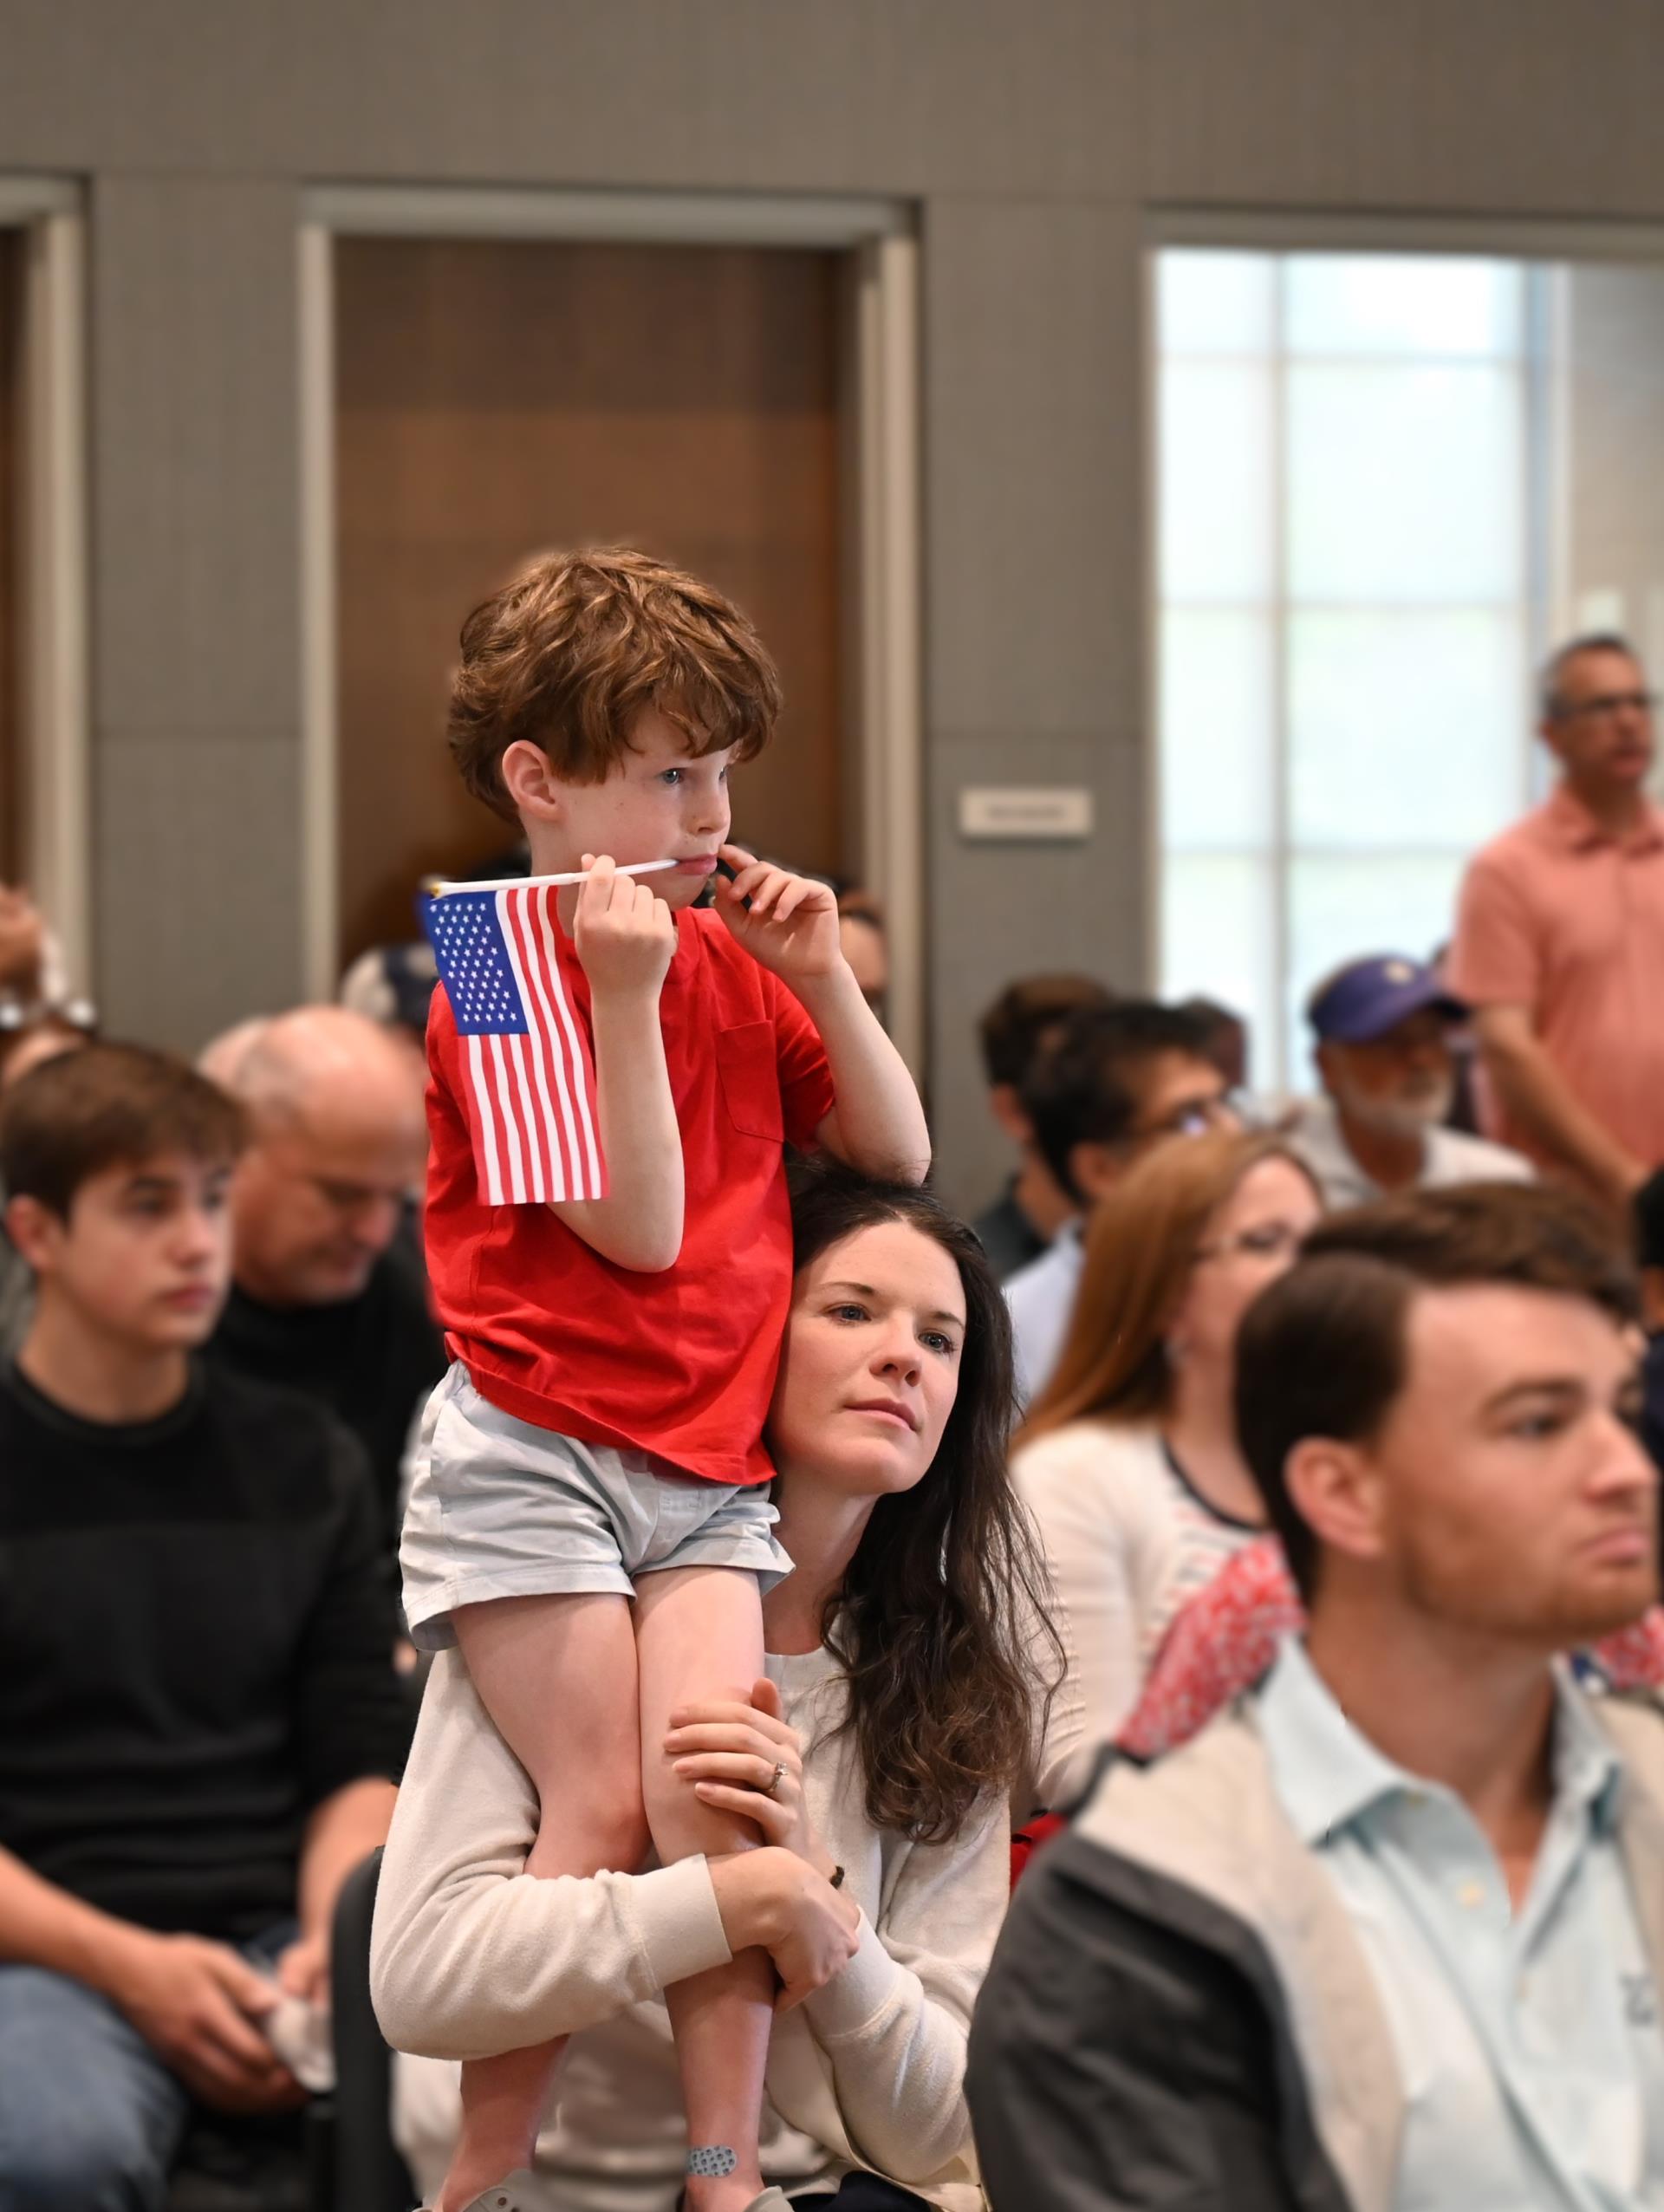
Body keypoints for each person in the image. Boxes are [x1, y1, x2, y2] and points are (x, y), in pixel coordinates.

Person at [404, 550, 931, 2212]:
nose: (711, 816)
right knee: (604, 1806)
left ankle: (721, 2171)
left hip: (704, 1459)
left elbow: (896, 1147)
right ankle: (489, 2171)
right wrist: (623, 995)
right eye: (672, 774)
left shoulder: (714, 953)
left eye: (724, 775)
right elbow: (632, 1230)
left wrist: (825, 971)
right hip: (539, 1445)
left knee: (721, 1807)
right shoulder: (494, 960)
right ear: (541, 785)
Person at [374, 1169, 1071, 2212]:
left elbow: (943, 2125)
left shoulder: (947, 1682)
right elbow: (426, 1980)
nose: (903, 1358)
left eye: (941, 1339)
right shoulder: (552, 1617)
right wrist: (728, 1899)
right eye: (849, 1310)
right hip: (552, 2196)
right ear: (744, 1330)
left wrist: (809, 1885)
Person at [970, 1181, 1664, 2212]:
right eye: (1536, 1423)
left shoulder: (1643, 1780)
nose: (1625, 1469)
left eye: (1622, 1408)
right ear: (1344, 1492)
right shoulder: (1138, 1916)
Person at [0, 1043, 406, 2208]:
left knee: (478, 2101)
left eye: (214, 1200)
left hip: (281, 1927)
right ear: (37, 1233)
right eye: (148, 1207)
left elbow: (357, 1747)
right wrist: (130, 1969)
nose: (197, 1242)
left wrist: (337, 1930)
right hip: (51, 1946)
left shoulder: (304, 1460)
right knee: (54, 2155)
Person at [1010, 1129, 1322, 1766]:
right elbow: (1081, 1762)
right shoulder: (1074, 1475)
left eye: (1321, 1247)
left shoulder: (1353, 1465)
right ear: (1166, 1296)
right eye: (1266, 1244)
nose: (1313, 1277)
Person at [200, 1006, 445, 1552]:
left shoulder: (413, 1304)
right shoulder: (161, 1308)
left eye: (395, 1198)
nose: (376, 1233)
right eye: (342, 1196)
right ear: (234, 1156)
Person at [1449, 632, 1664, 1210]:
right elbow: (1506, 1045)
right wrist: (1625, 1178)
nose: (1628, 722)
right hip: (1566, 1198)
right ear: (1551, 735)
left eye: (1640, 703)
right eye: (1602, 707)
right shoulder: (1507, 869)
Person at [1003, 1000, 1237, 1405]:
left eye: (1227, 1104)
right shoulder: (1014, 1329)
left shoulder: (1263, 1277)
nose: (1231, 1132)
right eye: (1190, 1119)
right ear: (1101, 1170)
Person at [1286, 953, 1533, 1207]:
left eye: (1432, 1036)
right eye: (1390, 1041)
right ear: (1327, 1064)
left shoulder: (1497, 1183)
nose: (1421, 1060)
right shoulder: (1284, 1185)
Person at [968, 976, 1115, 1283]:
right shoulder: (976, 1278)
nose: (1112, 1109)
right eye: (1076, 1088)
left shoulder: (1156, 1255)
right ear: (1013, 1111)